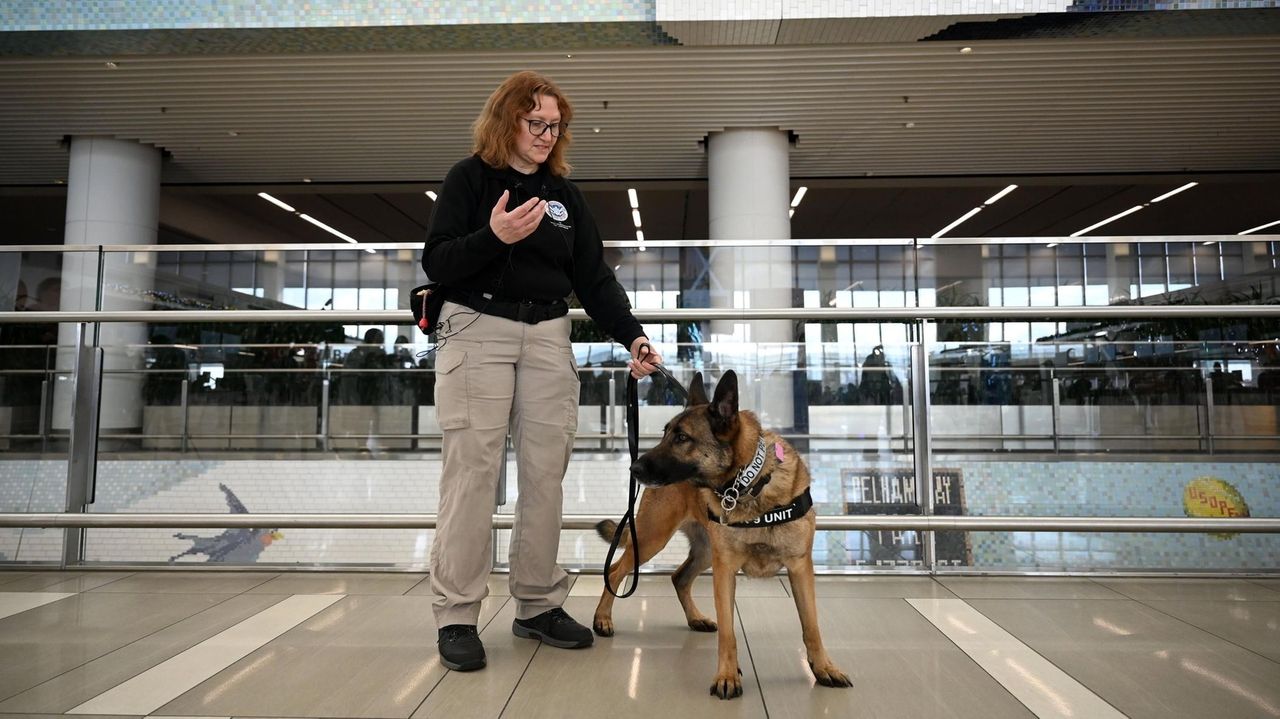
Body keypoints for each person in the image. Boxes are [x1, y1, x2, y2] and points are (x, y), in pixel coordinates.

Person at [420, 70, 661, 672]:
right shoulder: (468, 178)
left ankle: (535, 604)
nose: (548, 135)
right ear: (507, 120)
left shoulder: (564, 196)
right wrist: (493, 235)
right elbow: (440, 259)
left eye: (556, 126)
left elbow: (593, 278)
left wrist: (631, 334)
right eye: (537, 123)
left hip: (550, 333)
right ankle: (456, 615)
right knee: (472, 472)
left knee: (545, 471)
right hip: (476, 328)